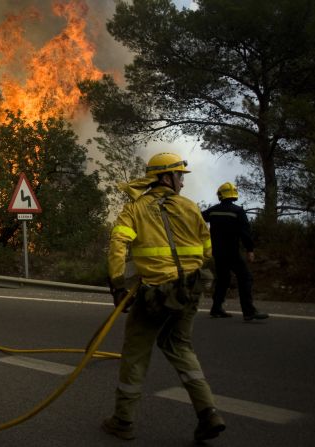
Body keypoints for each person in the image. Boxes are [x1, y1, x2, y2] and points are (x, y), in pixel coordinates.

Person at [103, 152, 225, 442]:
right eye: (180, 175)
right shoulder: (191, 207)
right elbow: (207, 251)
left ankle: (123, 420)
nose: (182, 181)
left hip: (154, 294)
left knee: (135, 354)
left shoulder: (135, 209)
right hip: (189, 291)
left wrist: (118, 285)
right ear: (166, 177)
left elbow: (117, 247)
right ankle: (208, 411)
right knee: (179, 345)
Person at [202, 182, 269, 321]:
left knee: (223, 280)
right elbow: (245, 232)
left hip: (218, 253)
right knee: (245, 278)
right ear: (234, 194)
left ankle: (216, 308)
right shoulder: (237, 211)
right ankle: (249, 311)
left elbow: (198, 220)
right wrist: (250, 249)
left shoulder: (212, 210)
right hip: (232, 252)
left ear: (220, 195)